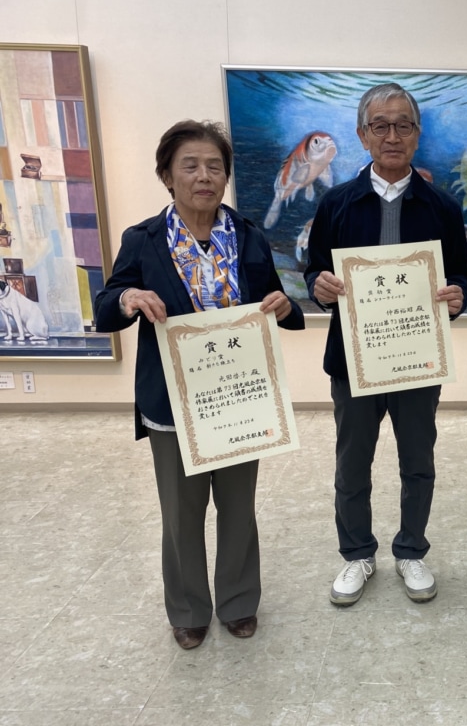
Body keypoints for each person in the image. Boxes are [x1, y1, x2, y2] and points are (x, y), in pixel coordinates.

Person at [94, 120, 305, 649]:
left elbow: (279, 302)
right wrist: (128, 299)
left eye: (215, 166)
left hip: (239, 397)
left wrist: (284, 306)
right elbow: (106, 305)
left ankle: (238, 601)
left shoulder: (249, 235)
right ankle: (188, 609)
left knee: (238, 509)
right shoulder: (142, 239)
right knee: (181, 514)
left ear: (226, 176)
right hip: (172, 402)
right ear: (167, 175)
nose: (204, 176)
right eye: (190, 165)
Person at [304, 83, 467, 606]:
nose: (392, 136)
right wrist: (318, 285)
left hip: (418, 357)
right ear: (363, 135)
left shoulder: (441, 206)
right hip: (353, 359)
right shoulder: (336, 202)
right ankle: (357, 553)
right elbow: (314, 269)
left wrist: (457, 295)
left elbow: (461, 274)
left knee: (417, 460)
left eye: (403, 125)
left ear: (417, 134)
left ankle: (411, 550)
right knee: (352, 463)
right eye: (381, 126)